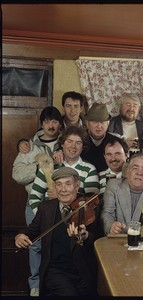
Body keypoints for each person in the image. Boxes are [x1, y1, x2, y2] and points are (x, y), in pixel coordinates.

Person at [15, 167, 98, 297]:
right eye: (59, 184)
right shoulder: (46, 208)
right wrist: (20, 236)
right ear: (54, 187)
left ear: (77, 186)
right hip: (56, 271)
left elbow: (98, 238)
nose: (63, 189)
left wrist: (85, 235)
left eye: (68, 184)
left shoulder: (89, 207)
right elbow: (31, 231)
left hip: (83, 271)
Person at [12, 106, 63, 297]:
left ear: (60, 124)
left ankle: (54, 280)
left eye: (55, 121)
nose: (51, 125)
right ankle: (35, 283)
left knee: (58, 241)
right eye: (47, 121)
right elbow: (16, 175)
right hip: (34, 202)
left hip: (59, 202)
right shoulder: (29, 147)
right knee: (35, 244)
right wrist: (39, 167)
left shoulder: (65, 144)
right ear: (42, 124)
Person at [29, 125, 99, 214]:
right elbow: (34, 197)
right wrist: (44, 218)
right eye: (69, 141)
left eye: (78, 143)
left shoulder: (89, 169)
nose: (73, 146)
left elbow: (91, 202)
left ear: (83, 146)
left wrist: (61, 195)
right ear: (62, 144)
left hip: (77, 222)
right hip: (50, 221)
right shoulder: (48, 167)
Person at [101, 153, 143, 235]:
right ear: (127, 171)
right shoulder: (113, 186)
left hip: (142, 244)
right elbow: (107, 213)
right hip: (117, 240)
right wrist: (110, 226)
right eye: (135, 168)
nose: (139, 173)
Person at [17, 91, 87, 154]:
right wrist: (22, 143)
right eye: (68, 106)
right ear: (63, 108)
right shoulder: (54, 125)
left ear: (81, 109)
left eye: (76, 106)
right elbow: (37, 138)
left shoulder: (88, 127)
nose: (72, 110)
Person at [81, 102, 116, 173]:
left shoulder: (115, 141)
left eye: (102, 122)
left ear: (108, 124)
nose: (99, 126)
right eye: (95, 122)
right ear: (87, 123)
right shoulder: (80, 140)